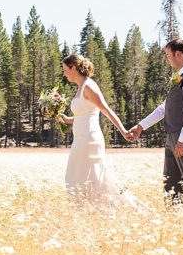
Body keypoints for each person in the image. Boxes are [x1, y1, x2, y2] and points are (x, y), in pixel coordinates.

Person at [126, 37, 183, 211]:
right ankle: (173, 218)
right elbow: (164, 108)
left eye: (168, 55)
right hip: (173, 135)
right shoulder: (179, 76)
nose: (167, 59)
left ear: (178, 54)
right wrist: (140, 126)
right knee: (171, 181)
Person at [57, 54, 137, 207]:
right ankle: (89, 210)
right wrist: (67, 120)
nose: (64, 73)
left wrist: (123, 131)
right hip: (81, 138)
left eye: (65, 70)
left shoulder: (89, 87)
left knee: (85, 177)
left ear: (74, 68)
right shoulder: (80, 88)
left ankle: (100, 209)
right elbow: (85, 115)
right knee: (78, 177)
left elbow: (106, 110)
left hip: (89, 140)